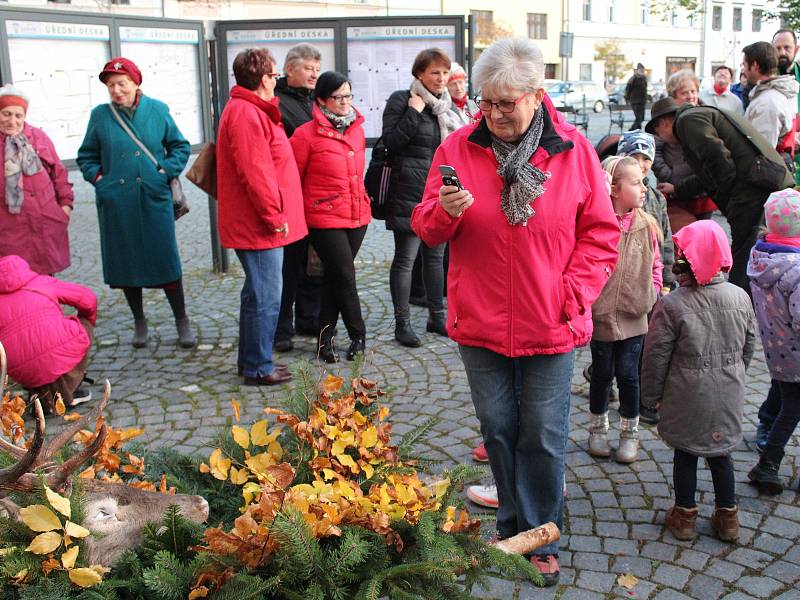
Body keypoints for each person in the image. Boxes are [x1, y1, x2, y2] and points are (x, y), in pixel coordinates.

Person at [411, 38, 619, 585]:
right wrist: (444, 212)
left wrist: (571, 294)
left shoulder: (573, 151)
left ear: (537, 95)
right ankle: (512, 523)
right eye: (487, 103)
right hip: (480, 320)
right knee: (499, 429)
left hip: (550, 317)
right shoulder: (457, 148)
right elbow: (427, 226)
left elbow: (600, 235)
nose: (496, 114)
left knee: (544, 433)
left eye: (507, 102)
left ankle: (543, 529)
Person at [642, 220, 755, 542]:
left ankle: (685, 516)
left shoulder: (672, 304)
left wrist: (651, 398)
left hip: (685, 394)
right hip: (728, 391)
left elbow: (656, 357)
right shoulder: (740, 297)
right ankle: (728, 517)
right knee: (722, 455)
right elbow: (748, 346)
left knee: (686, 453)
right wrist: (734, 373)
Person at [77, 57, 195, 349]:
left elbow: (179, 145)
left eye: (122, 84)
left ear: (135, 82)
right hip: (118, 201)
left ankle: (182, 320)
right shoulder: (100, 116)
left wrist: (164, 171)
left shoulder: (157, 110)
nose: (116, 90)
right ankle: (139, 322)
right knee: (126, 263)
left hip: (153, 197)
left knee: (166, 259)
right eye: (111, 85)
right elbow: (86, 156)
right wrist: (100, 179)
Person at [216, 48, 306, 386]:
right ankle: (258, 366)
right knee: (266, 296)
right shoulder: (246, 113)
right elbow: (255, 173)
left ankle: (253, 361)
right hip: (259, 225)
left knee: (257, 294)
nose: (277, 80)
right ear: (262, 78)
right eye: (273, 75)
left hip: (260, 222)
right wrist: (273, 215)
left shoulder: (249, 109)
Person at [657, 99, 794, 290]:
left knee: (744, 252)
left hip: (751, 190)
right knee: (753, 247)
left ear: (663, 123)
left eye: (657, 133)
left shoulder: (687, 121)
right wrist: (677, 189)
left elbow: (718, 160)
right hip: (761, 183)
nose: (661, 138)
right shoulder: (699, 115)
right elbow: (708, 175)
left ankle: (739, 303)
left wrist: (730, 198)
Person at [290, 71, 370, 363]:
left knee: (334, 277)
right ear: (322, 100)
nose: (345, 102)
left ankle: (324, 342)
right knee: (345, 275)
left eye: (348, 95)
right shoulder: (305, 135)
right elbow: (293, 179)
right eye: (338, 97)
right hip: (323, 217)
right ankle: (358, 335)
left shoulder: (357, 128)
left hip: (357, 215)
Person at [587, 156, 662, 463]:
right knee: (602, 375)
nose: (643, 188)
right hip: (602, 315)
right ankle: (597, 429)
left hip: (635, 315)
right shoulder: (598, 224)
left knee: (630, 376)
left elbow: (658, 264)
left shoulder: (647, 226)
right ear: (614, 190)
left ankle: (629, 433)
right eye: (636, 182)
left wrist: (653, 291)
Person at [383, 47, 460, 347]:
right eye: (434, 73)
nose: (441, 78)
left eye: (444, 72)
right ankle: (402, 324)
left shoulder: (448, 108)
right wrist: (413, 113)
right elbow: (391, 142)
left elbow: (453, 153)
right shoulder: (402, 101)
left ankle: (436, 317)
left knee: (436, 259)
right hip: (408, 194)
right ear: (419, 74)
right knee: (406, 260)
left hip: (437, 194)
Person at [616, 131, 675, 427]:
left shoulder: (655, 198)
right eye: (635, 158)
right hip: (619, 281)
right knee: (620, 339)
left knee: (646, 341)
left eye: (646, 159)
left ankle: (642, 399)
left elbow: (664, 238)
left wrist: (666, 274)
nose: (641, 164)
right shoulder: (615, 197)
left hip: (647, 281)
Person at [747, 189, 800, 495]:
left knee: (790, 407)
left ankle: (767, 465)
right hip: (796, 353)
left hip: (777, 352)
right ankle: (766, 465)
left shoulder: (762, 257)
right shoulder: (795, 268)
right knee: (791, 410)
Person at [273, 43, 323, 353]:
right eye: (308, 69)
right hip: (290, 195)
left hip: (315, 196)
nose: (313, 74)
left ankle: (309, 317)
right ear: (290, 69)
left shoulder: (316, 101)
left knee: (312, 262)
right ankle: (282, 328)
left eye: (317, 70)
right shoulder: (277, 104)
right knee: (288, 266)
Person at [0, 254, 97, 410]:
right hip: (57, 349)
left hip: (15, 368)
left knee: (21, 350)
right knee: (80, 327)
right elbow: (88, 298)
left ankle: (39, 395)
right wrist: (89, 319)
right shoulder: (41, 282)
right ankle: (68, 391)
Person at [0, 85, 73, 276]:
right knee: (14, 281)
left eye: (18, 115)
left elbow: (59, 172)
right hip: (8, 228)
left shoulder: (38, 137)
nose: (12, 121)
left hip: (44, 223)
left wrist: (65, 207)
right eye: (6, 114)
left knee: (46, 280)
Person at [651, 83, 717, 233]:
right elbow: (655, 158)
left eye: (693, 91)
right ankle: (683, 257)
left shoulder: (692, 133)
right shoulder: (660, 138)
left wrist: (677, 186)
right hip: (675, 195)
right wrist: (669, 176)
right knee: (681, 232)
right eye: (684, 92)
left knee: (700, 233)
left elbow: (705, 173)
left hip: (699, 195)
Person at [741, 41, 798, 150]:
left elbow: (762, 152)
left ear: (754, 65)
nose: (743, 70)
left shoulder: (767, 103)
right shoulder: (769, 97)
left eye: (744, 65)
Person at [625, 63, 648, 130]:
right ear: (637, 70)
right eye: (640, 70)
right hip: (635, 101)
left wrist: (646, 98)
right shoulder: (633, 79)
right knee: (639, 118)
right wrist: (627, 99)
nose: (642, 71)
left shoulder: (644, 78)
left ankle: (636, 130)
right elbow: (628, 89)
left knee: (642, 118)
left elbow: (645, 90)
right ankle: (632, 130)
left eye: (643, 70)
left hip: (642, 101)